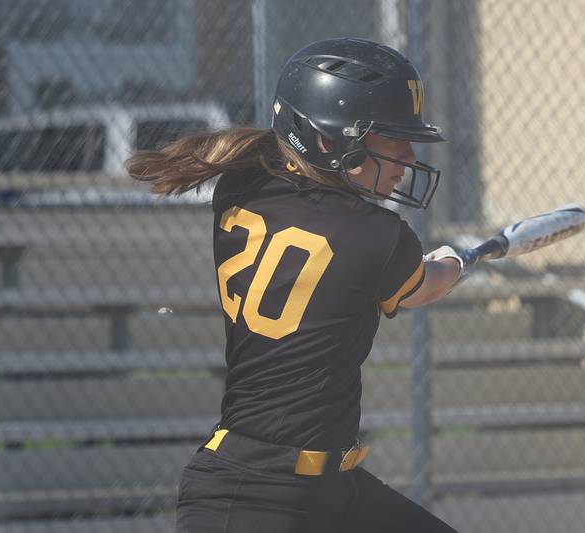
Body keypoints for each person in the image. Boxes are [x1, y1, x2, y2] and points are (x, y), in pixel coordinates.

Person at [126, 37, 462, 533]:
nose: (405, 156)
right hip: (255, 501)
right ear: (328, 139)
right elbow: (424, 287)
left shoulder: (242, 184)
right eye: (389, 138)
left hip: (322, 492)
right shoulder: (375, 234)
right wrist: (456, 260)